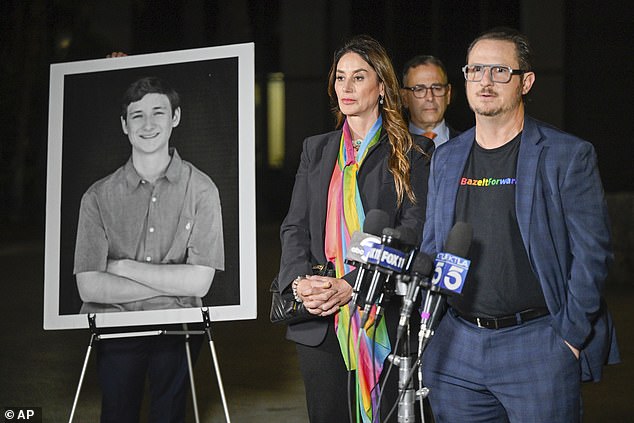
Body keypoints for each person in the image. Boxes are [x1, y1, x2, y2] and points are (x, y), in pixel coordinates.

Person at [420, 27, 620, 422]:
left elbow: (592, 253)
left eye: (500, 71)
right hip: (456, 347)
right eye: (476, 70)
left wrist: (570, 337)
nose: (486, 81)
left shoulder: (566, 155)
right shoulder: (445, 158)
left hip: (537, 344)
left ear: (525, 82)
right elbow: (433, 245)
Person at [276, 35, 434, 422]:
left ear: (381, 86)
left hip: (382, 311)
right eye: (340, 77)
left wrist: (352, 283)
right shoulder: (316, 149)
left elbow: (411, 232)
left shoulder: (413, 152)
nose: (345, 87)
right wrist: (299, 284)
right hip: (319, 316)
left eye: (358, 77)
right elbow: (294, 227)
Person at [73, 76, 224, 422]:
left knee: (169, 415)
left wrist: (122, 267)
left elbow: (200, 284)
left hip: (178, 324)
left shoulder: (202, 189)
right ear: (124, 125)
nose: (148, 124)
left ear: (176, 117)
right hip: (115, 325)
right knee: (118, 414)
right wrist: (173, 279)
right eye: (137, 115)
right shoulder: (97, 197)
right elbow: (89, 286)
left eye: (158, 112)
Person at [401, 55, 460, 147]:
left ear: (448, 94)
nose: (430, 98)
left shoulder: (470, 146)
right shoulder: (389, 148)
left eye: (437, 88)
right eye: (419, 89)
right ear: (405, 98)